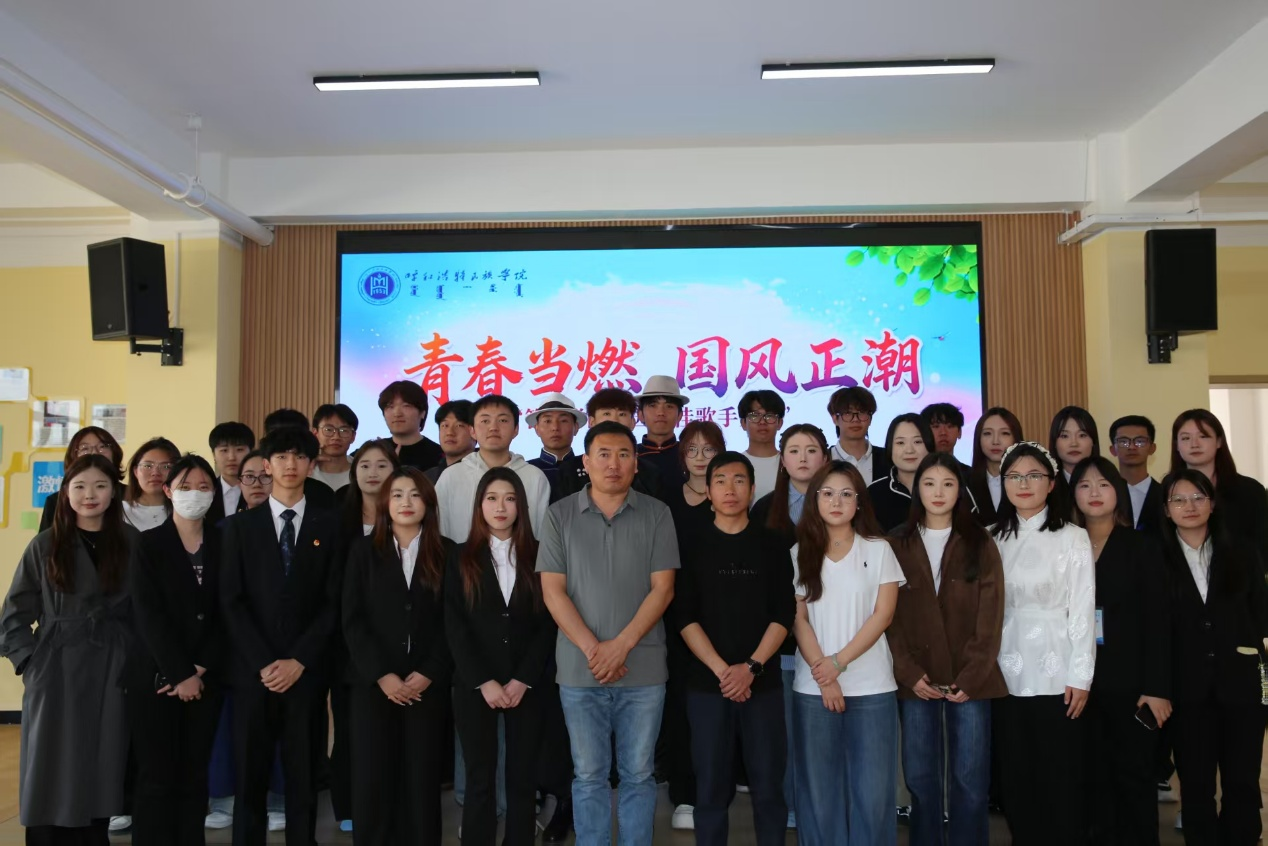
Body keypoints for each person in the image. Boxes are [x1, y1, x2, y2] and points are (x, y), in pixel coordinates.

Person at [537, 420, 679, 846]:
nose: (613, 464)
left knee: (639, 774)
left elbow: (663, 589)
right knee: (588, 775)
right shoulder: (559, 515)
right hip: (580, 670)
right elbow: (553, 591)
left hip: (643, 667)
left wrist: (621, 646)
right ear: (586, 461)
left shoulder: (657, 513)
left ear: (635, 463)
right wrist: (594, 650)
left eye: (623, 455)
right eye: (603, 454)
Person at [1, 454, 138, 845]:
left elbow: (148, 610)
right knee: (49, 769)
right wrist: (30, 662)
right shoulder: (46, 544)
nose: (89, 494)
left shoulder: (131, 543)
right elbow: (14, 613)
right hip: (56, 668)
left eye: (100, 485)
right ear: (65, 493)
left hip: (112, 666)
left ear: (114, 492)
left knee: (101, 766)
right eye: (79, 486)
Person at [219, 427, 342, 846]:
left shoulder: (331, 526)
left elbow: (334, 601)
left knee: (303, 775)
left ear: (312, 464)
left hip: (306, 673)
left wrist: (299, 660)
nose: (291, 464)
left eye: (300, 457)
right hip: (252, 673)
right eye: (282, 457)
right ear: (267, 466)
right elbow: (230, 601)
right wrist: (264, 663)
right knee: (249, 776)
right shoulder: (239, 527)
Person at [887, 452, 1006, 846]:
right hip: (916, 680)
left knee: (970, 780)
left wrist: (971, 675)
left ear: (960, 491)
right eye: (929, 483)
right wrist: (907, 672)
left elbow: (991, 616)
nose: (938, 492)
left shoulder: (980, 541)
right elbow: (887, 618)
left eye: (948, 484)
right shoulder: (896, 542)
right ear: (917, 489)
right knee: (921, 779)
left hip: (970, 680)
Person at [676, 451, 795, 846]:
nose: (730, 488)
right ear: (708, 492)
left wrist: (751, 668)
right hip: (707, 685)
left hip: (763, 684)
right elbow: (684, 616)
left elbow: (784, 613)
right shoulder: (691, 544)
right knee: (710, 786)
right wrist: (723, 671)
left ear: (752, 488)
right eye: (721, 481)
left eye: (739, 480)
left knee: (768, 785)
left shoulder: (772, 543)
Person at [790, 460, 903, 846]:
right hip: (813, 687)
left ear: (859, 502)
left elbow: (883, 615)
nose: (836, 502)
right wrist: (824, 675)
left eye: (845, 494)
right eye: (827, 493)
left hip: (872, 687)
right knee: (819, 793)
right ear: (814, 500)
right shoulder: (798, 553)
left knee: (872, 794)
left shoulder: (880, 549)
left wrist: (838, 664)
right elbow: (798, 618)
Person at [990, 441, 1095, 846]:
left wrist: (1081, 676)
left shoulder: (1073, 537)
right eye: (1014, 476)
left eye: (1034, 475)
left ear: (1051, 484)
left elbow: (1082, 609)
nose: (1023, 483)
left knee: (1060, 773)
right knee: (1016, 773)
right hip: (1003, 668)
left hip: (1058, 668)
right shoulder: (990, 537)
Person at [446, 467, 556, 846]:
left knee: (522, 778)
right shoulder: (460, 556)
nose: (500, 507)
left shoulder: (539, 554)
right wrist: (484, 681)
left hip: (527, 684)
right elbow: (454, 625)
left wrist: (523, 679)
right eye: (491, 498)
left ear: (521, 506)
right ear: (479, 505)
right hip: (476, 685)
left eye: (510, 499)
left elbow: (547, 624)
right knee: (480, 778)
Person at [342, 467, 451, 845]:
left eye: (415, 495)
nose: (406, 502)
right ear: (386, 503)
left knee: (421, 780)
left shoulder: (447, 552)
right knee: (373, 778)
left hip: (426, 685)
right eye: (398, 494)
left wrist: (430, 671)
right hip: (373, 685)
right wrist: (382, 675)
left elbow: (453, 621)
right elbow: (352, 620)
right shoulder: (362, 551)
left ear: (428, 504)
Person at [1161, 468, 1268, 846]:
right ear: (1166, 509)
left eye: (1198, 497)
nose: (1189, 506)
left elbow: (1259, 615)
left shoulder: (1242, 552)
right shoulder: (1155, 558)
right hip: (1186, 689)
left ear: (1212, 504)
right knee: (1196, 783)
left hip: (1242, 684)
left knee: (1242, 780)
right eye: (1178, 499)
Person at [1070, 456, 1170, 846]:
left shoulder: (1141, 546)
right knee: (1089, 779)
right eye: (1084, 485)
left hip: (1132, 684)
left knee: (1134, 780)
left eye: (1103, 484)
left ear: (1118, 493)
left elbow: (1159, 621)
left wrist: (1157, 687)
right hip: (1078, 683)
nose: (1094, 492)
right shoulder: (1066, 544)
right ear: (1073, 495)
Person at [127, 454, 225, 846]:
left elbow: (230, 609)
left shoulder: (226, 542)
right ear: (168, 491)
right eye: (185, 487)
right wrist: (180, 672)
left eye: (203, 487)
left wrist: (201, 667)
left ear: (214, 493)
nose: (194, 494)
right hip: (157, 678)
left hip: (207, 678)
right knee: (156, 776)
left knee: (194, 775)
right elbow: (147, 614)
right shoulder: (148, 544)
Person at [748, 423, 829, 829]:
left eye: (811, 450)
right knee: (788, 734)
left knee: (823, 733)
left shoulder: (841, 502)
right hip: (780, 640)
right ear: (782, 460)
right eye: (794, 450)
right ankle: (794, 808)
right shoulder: (765, 509)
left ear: (825, 458)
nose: (802, 458)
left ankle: (824, 808)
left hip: (832, 637)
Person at [661, 419, 727, 831]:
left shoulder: (730, 496)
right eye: (692, 450)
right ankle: (683, 793)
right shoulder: (666, 500)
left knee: (717, 708)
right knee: (678, 707)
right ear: (682, 456)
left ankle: (714, 790)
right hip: (672, 616)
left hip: (720, 616)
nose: (701, 457)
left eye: (709, 449)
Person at [436, 395, 551, 541]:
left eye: (502, 420)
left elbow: (541, 533)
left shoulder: (534, 477)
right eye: (485, 421)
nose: (493, 428)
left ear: (516, 429)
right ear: (472, 430)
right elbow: (438, 530)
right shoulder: (451, 476)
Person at [1169, 408, 1268, 562]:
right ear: (1177, 445)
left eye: (1203, 436)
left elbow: (1261, 545)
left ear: (1219, 441)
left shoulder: (1250, 490)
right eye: (1186, 438)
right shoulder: (1166, 492)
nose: (1194, 444)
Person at [554, 388, 665, 502]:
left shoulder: (650, 473)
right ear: (591, 422)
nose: (614, 420)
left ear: (633, 422)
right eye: (607, 413)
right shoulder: (568, 471)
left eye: (622, 414)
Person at [38, 425, 125, 531]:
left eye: (102, 447)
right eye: (85, 448)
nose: (94, 453)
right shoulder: (55, 501)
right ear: (73, 457)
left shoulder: (132, 495)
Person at [866, 413, 935, 532]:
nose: (909, 450)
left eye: (917, 442)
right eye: (900, 443)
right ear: (890, 447)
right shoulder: (873, 492)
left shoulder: (948, 487)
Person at [967, 406, 1023, 527]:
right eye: (987, 433)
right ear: (978, 438)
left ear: (1016, 438)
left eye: (1005, 433)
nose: (995, 441)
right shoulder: (965, 482)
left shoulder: (1025, 481)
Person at [1108, 416, 1164, 535]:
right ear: (1113, 449)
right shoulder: (1105, 495)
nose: (1131, 447)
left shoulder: (1165, 494)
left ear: (1152, 448)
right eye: (1123, 441)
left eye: (1140, 441)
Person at [826, 386, 891, 485]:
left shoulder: (888, 458)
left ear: (870, 418)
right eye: (848, 413)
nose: (855, 419)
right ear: (835, 419)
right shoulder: (824, 459)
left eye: (862, 412)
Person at [379, 380, 445, 471]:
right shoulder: (374, 451)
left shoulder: (440, 456)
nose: (397, 413)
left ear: (422, 413)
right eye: (390, 407)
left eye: (406, 406)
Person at [123, 437, 180, 531]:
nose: (155, 473)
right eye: (148, 466)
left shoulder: (185, 511)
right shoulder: (119, 512)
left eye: (166, 466)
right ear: (136, 471)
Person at [205, 421, 256, 526]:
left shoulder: (261, 490)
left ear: (251, 452)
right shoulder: (206, 491)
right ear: (214, 455)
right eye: (224, 450)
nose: (231, 457)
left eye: (239, 450)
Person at [737, 390, 785, 500]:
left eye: (769, 416)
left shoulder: (790, 463)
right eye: (754, 416)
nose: (762, 422)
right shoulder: (735, 464)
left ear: (779, 423)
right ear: (743, 423)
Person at [308, 404, 358, 497]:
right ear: (315, 434)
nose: (336, 437)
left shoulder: (361, 470)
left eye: (344, 430)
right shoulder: (305, 471)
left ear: (353, 437)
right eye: (328, 429)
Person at [425, 399, 476, 485]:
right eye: (445, 425)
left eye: (459, 425)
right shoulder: (426, 478)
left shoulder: (485, 473)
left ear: (475, 432)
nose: (449, 432)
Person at [1049, 405, 1101, 482]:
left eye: (1082, 435)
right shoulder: (1046, 484)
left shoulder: (1109, 482)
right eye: (1065, 436)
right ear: (1054, 443)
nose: (1074, 444)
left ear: (1093, 441)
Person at [920, 402, 972, 476]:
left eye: (950, 426)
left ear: (959, 432)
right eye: (936, 426)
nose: (943, 432)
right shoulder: (915, 472)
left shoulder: (971, 475)